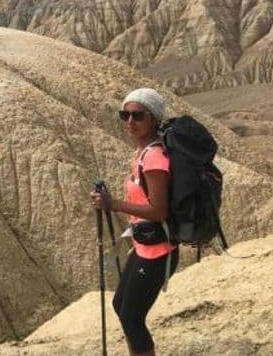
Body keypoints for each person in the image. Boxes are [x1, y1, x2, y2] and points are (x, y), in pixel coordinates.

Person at [91, 87, 178, 356]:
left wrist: (112, 204)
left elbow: (159, 210)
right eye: (124, 115)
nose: (130, 122)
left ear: (153, 119)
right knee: (121, 306)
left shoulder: (154, 157)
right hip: (144, 246)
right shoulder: (143, 152)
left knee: (131, 317)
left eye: (138, 116)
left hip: (158, 252)